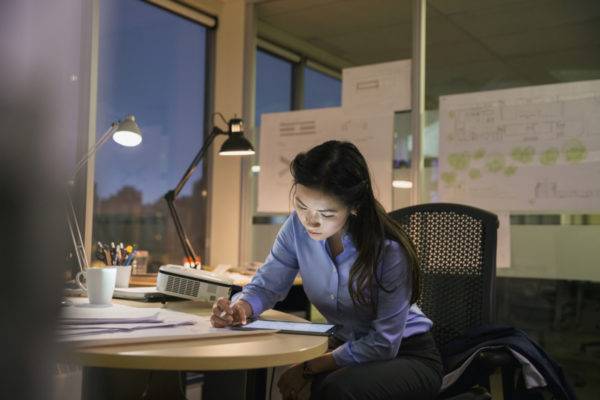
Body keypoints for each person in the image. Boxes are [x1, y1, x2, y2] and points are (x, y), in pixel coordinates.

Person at [211, 140, 443, 399]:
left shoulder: (388, 252)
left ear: (354, 206)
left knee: (334, 389)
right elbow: (267, 285)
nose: (310, 221)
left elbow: (384, 344)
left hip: (406, 355)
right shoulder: (296, 229)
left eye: (327, 213)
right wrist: (239, 308)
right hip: (345, 346)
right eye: (301, 206)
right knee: (298, 389)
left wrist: (311, 367)